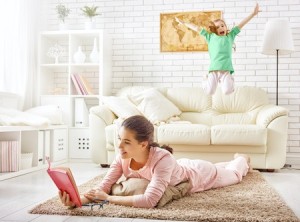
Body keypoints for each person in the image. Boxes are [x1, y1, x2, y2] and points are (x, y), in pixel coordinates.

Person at [60, 115, 251, 209]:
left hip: (201, 175)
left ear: (143, 144)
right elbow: (103, 187)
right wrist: (75, 201)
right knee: (206, 165)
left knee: (234, 175)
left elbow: (150, 201)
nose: (119, 146)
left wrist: (109, 199)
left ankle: (241, 159)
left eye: (126, 142)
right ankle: (226, 163)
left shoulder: (162, 159)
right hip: (179, 167)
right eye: (119, 139)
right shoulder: (122, 157)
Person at [175, 3, 261, 95]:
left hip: (226, 70)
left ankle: (230, 80)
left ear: (225, 27)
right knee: (209, 92)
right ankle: (205, 79)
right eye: (217, 27)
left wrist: (253, 14)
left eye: (222, 25)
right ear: (214, 30)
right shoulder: (210, 37)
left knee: (227, 92)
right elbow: (197, 28)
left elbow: (241, 24)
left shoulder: (230, 36)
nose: (220, 28)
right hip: (214, 70)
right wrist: (184, 23)